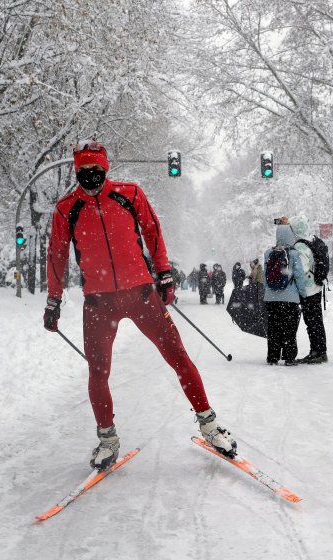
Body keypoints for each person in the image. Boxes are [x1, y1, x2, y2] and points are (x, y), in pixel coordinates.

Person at [44, 140, 236, 468]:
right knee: (98, 372)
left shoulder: (129, 193)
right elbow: (57, 255)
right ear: (77, 171)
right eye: (84, 171)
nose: (91, 176)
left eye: (97, 170)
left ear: (105, 169)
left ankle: (209, 423)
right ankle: (107, 438)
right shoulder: (66, 208)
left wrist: (163, 274)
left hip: (141, 295)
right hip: (99, 302)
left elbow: (153, 232)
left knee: (178, 357)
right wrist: (53, 300)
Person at [263, 218, 307, 366]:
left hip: (271, 299)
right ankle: (289, 357)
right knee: (289, 328)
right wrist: (303, 293)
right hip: (290, 299)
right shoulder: (294, 254)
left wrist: (267, 293)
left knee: (273, 328)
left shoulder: (268, 253)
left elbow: (265, 276)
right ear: (291, 236)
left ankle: (272, 357)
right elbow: (299, 275)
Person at [290, 216, 328, 364]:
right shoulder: (313, 239)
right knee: (317, 321)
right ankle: (321, 351)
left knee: (311, 322)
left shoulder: (300, 246)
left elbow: (302, 269)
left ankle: (316, 352)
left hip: (307, 289)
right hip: (317, 286)